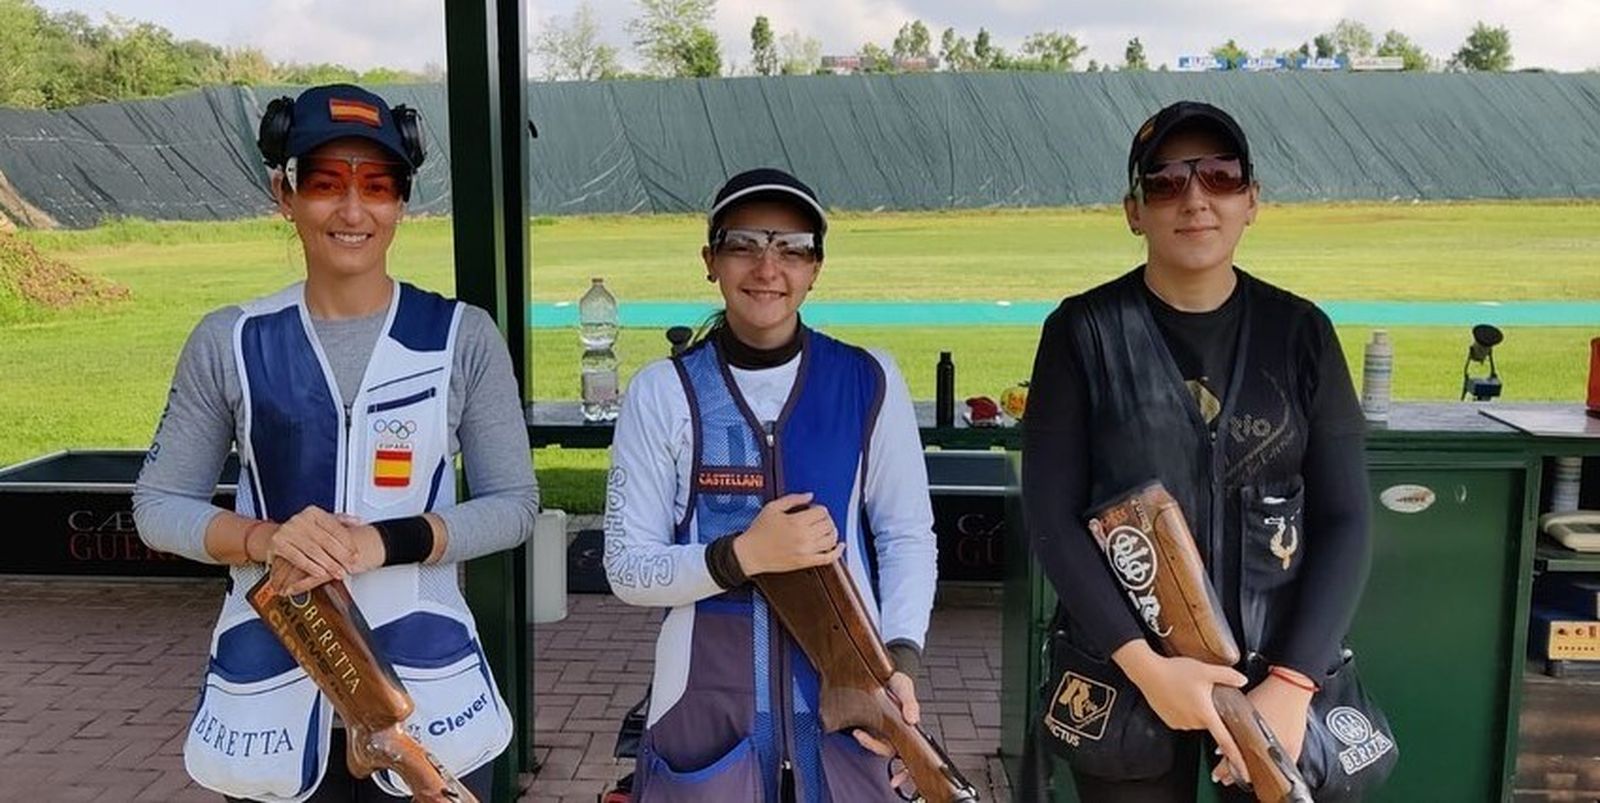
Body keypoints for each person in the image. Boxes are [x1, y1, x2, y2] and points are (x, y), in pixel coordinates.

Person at [133, 84, 538, 802]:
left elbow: (513, 504)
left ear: (401, 203)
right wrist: (266, 539)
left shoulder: (462, 335)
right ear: (282, 194)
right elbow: (160, 506)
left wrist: (387, 541)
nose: (353, 211)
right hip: (271, 698)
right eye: (325, 184)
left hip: (429, 695)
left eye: (377, 186)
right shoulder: (229, 339)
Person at [1023, 101, 1378, 801]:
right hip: (1124, 673)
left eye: (1219, 176)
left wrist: (1291, 683)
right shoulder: (1082, 332)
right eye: (1166, 181)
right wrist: (1149, 668)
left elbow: (1346, 518)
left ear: (1252, 200)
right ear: (1134, 209)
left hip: (1277, 666)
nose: (1194, 199)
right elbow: (1051, 516)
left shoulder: (1302, 333)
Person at [602, 168, 938, 802]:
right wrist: (743, 557)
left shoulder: (871, 379)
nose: (767, 267)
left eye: (792, 247)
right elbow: (626, 567)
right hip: (700, 709)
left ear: (816, 267)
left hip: (854, 701)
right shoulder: (662, 391)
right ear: (711, 261)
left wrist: (899, 662)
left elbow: (906, 536)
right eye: (744, 244)